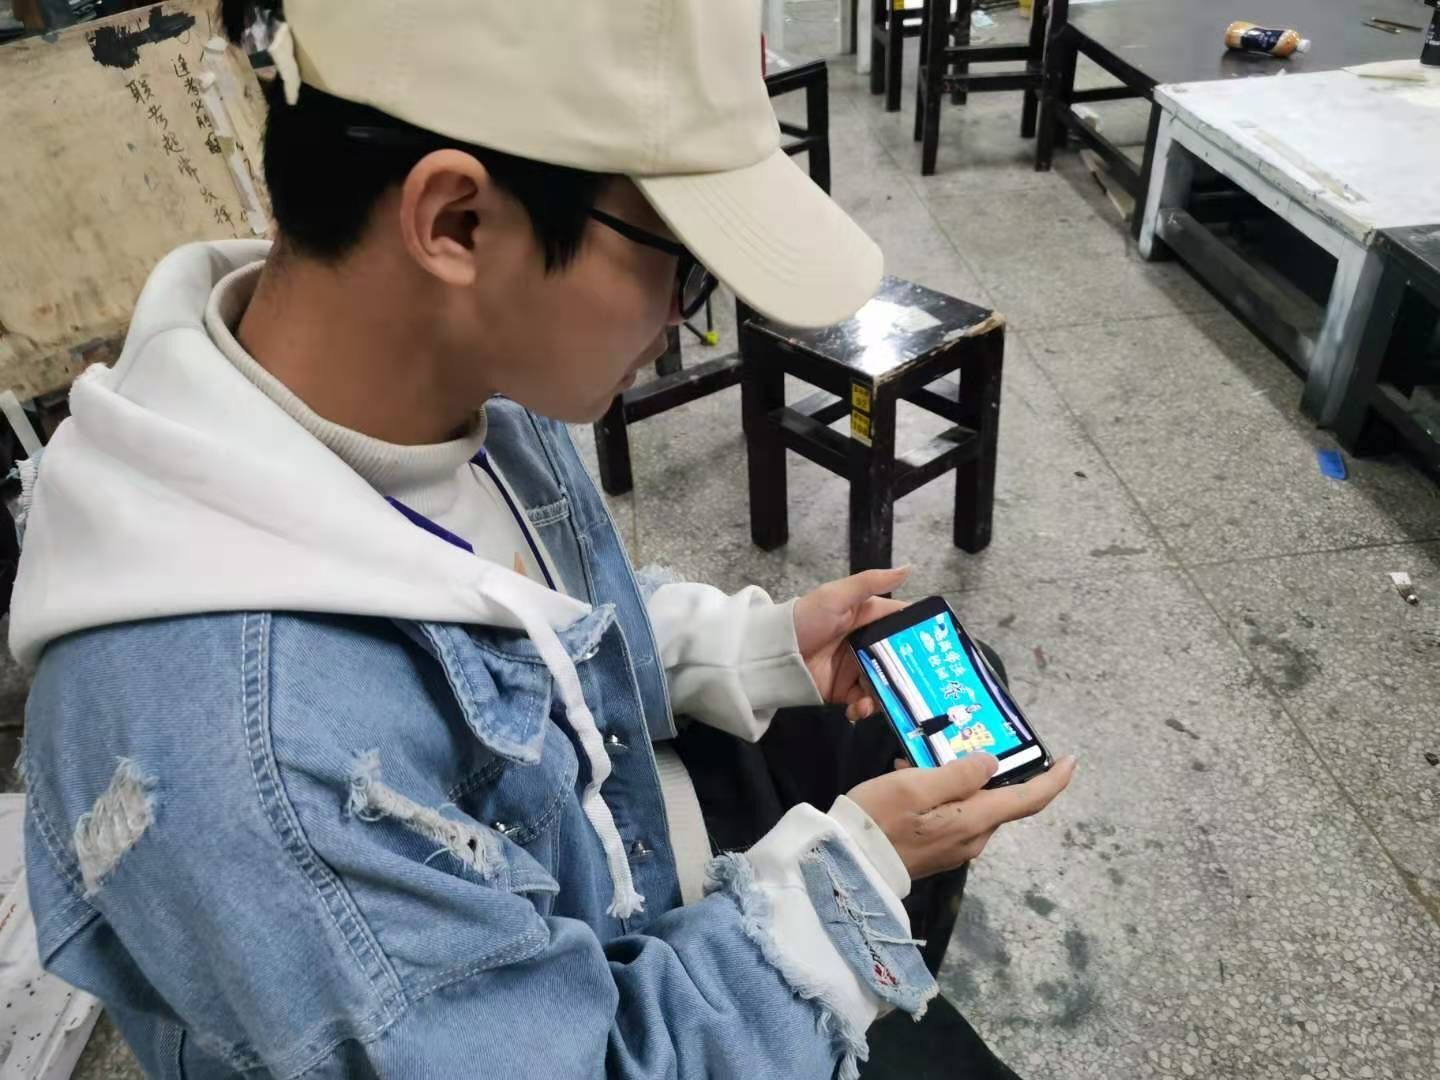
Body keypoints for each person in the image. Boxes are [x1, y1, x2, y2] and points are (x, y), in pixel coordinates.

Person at [12, 2, 1076, 1076]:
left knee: (927, 716)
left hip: (614, 843)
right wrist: (848, 893)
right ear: (457, 221)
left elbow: (532, 616)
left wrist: (757, 648)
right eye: (684, 265)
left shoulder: (452, 380)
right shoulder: (257, 765)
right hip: (596, 1004)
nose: (686, 317)